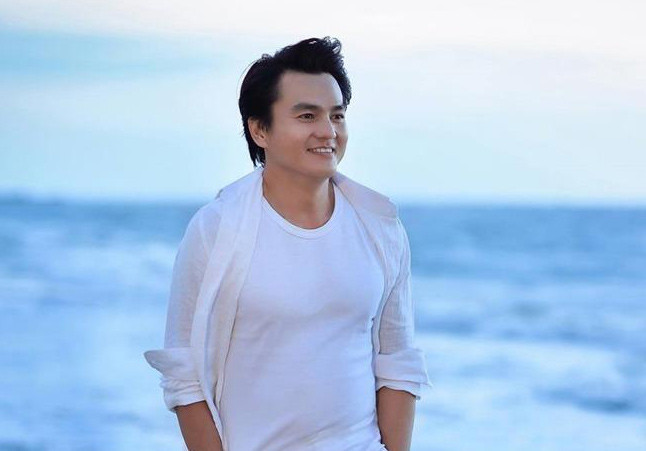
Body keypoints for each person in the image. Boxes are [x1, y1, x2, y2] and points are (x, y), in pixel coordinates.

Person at [144, 36, 432, 451]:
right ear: (260, 130)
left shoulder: (379, 226)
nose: (327, 131)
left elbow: (397, 362)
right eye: (307, 116)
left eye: (337, 115)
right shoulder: (217, 229)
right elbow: (184, 377)